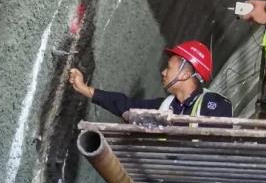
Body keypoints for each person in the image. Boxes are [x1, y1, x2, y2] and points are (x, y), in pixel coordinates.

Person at [68, 40, 232, 122]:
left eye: (169, 68)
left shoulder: (215, 105)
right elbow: (126, 105)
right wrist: (85, 89)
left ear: (184, 75)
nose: (163, 72)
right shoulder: (167, 105)